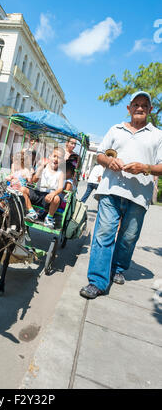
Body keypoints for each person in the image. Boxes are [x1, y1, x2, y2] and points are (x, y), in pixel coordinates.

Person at [80, 91, 162, 300]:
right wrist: (109, 162)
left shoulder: (158, 135)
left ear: (150, 110)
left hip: (139, 196)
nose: (140, 108)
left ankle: (117, 267)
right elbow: (99, 155)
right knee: (104, 233)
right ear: (129, 108)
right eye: (136, 104)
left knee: (128, 238)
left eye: (144, 105)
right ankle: (97, 281)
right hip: (111, 189)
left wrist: (146, 167)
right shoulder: (115, 129)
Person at [21, 147, 65, 228]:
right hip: (38, 193)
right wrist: (40, 169)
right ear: (50, 157)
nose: (55, 159)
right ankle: (32, 212)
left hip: (49, 197)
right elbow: (34, 181)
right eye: (54, 156)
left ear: (62, 161)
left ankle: (49, 218)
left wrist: (53, 194)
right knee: (22, 189)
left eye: (59, 158)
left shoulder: (60, 173)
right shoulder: (43, 167)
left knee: (57, 199)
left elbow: (60, 188)